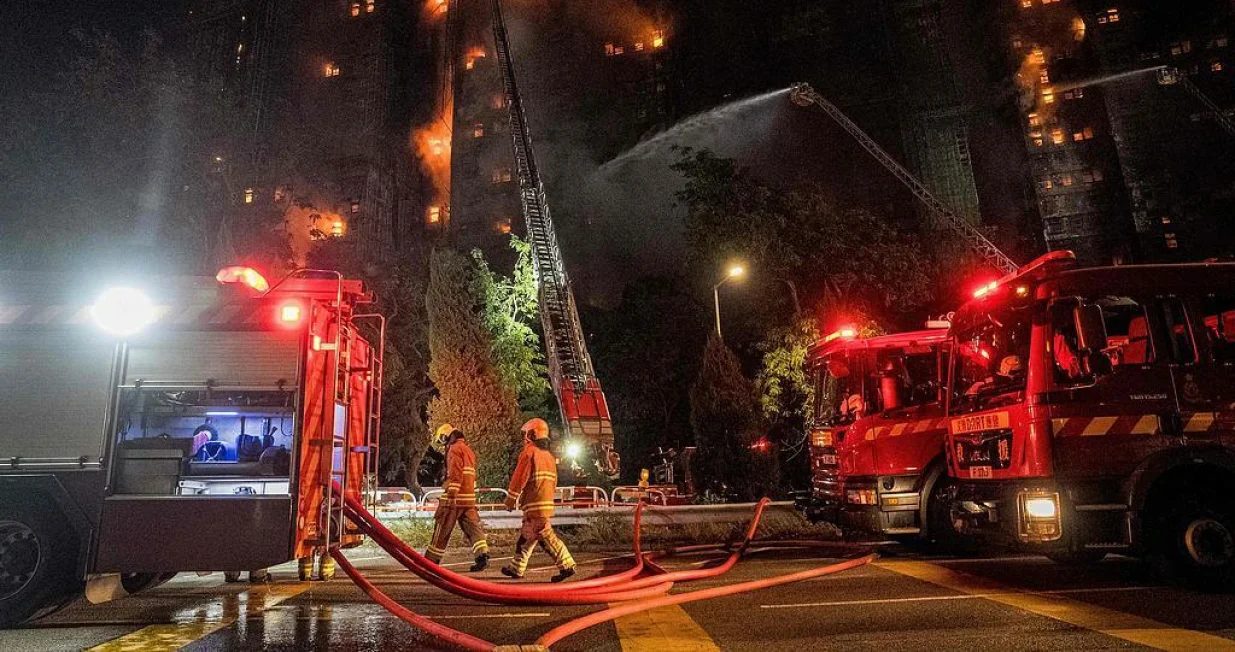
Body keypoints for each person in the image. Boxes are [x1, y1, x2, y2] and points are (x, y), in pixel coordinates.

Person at [501, 418, 576, 582]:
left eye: (525, 434)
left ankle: (567, 565)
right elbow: (554, 481)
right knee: (527, 537)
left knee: (546, 536)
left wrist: (510, 499)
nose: (524, 438)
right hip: (544, 503)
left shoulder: (529, 453)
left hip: (534, 504)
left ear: (532, 434)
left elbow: (519, 478)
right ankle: (516, 568)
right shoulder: (549, 456)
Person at [425, 424, 490, 572]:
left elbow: (455, 473)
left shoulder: (454, 449)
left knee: (442, 528)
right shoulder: (468, 450)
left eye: (442, 441)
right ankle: (482, 555)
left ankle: (430, 562)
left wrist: (451, 494)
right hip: (469, 498)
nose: (443, 445)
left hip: (455, 498)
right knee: (473, 528)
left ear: (446, 436)